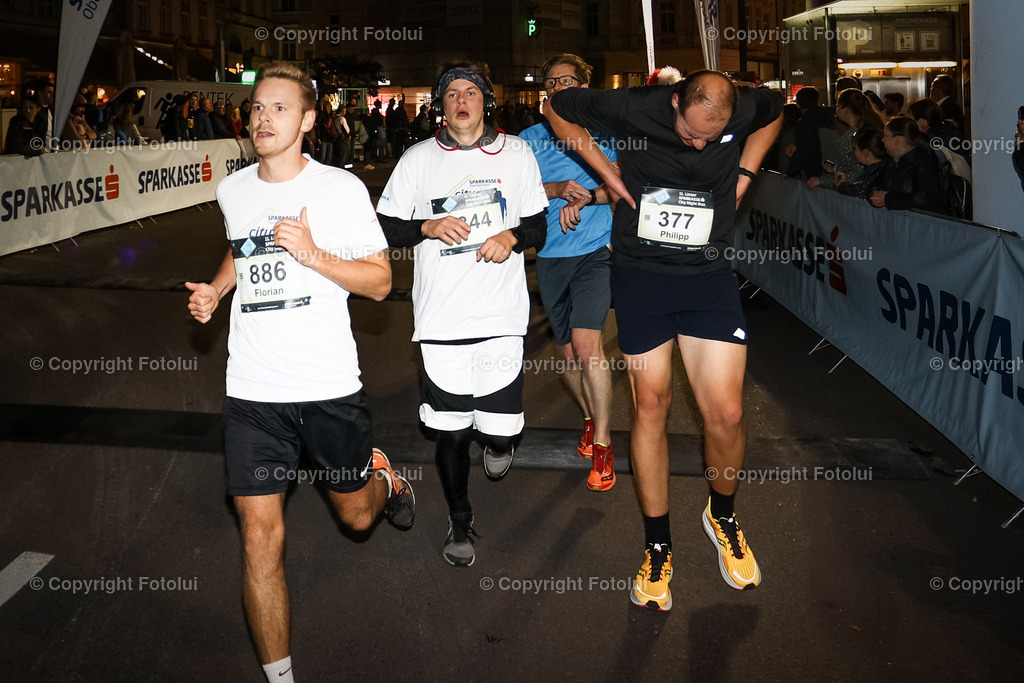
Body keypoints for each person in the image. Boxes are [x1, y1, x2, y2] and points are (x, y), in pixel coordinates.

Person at [184, 61, 414, 683]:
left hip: (327, 389)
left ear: (309, 120)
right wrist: (216, 289)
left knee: (357, 516)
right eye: (257, 107)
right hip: (253, 393)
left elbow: (381, 281)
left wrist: (313, 254)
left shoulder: (338, 190)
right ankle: (280, 676)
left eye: (279, 108)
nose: (263, 118)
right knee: (260, 538)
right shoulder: (234, 190)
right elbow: (242, 245)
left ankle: (385, 480)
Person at [546, 69, 783, 610]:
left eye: (711, 137)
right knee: (650, 405)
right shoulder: (633, 107)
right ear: (674, 101)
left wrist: (745, 171)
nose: (699, 144)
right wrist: (606, 170)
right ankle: (657, 546)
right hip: (642, 275)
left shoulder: (744, 107)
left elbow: (774, 115)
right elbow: (554, 107)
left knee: (725, 415)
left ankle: (721, 515)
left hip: (707, 275)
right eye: (691, 132)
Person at [376, 63, 548, 567]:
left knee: (498, 430)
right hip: (442, 321)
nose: (461, 100)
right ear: (440, 105)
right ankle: (459, 516)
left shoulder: (515, 153)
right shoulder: (418, 158)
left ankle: (498, 441)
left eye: (470, 92)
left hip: (499, 319)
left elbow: (537, 225)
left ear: (486, 101)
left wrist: (510, 237)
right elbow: (386, 225)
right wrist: (426, 226)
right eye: (451, 94)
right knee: (451, 432)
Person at [519, 53, 618, 492]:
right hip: (550, 257)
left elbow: (623, 184)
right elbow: (514, 193)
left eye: (569, 81)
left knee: (586, 344)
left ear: (584, 86)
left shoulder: (609, 132)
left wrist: (587, 198)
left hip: (596, 251)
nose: (560, 88)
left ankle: (603, 444)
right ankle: (589, 417)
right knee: (566, 362)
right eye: (553, 82)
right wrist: (556, 190)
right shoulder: (527, 139)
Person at [809, 89, 883, 191]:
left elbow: (859, 173)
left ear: (847, 109)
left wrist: (824, 181)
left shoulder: (863, 135)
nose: (836, 108)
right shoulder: (854, 131)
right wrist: (834, 170)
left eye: (838, 105)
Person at [870, 116, 947, 214]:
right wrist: (874, 194)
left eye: (886, 135)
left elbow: (923, 199)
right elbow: (876, 183)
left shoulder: (923, 162)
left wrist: (888, 199)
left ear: (898, 139)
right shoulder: (893, 161)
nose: (882, 140)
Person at [786, 86, 833, 181]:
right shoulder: (831, 115)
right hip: (833, 166)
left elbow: (805, 151)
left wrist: (789, 172)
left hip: (814, 171)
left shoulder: (804, 123)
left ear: (798, 104)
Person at [834, 126, 890, 200]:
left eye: (855, 149)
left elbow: (862, 189)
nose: (854, 152)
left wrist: (842, 186)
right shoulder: (875, 169)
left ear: (865, 153)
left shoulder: (878, 172)